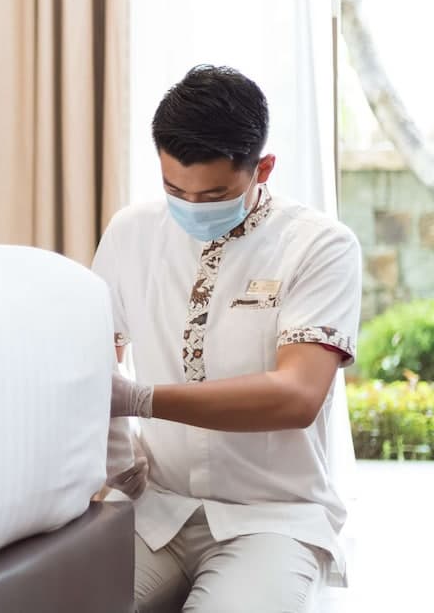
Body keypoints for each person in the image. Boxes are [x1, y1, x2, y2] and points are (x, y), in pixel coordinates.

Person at [92, 65, 361, 612]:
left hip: (274, 520)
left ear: (263, 167)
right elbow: (96, 360)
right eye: (174, 189)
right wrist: (123, 469)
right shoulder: (131, 232)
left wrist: (142, 399)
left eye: (214, 193)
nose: (192, 206)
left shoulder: (319, 246)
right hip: (158, 509)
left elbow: (297, 396)